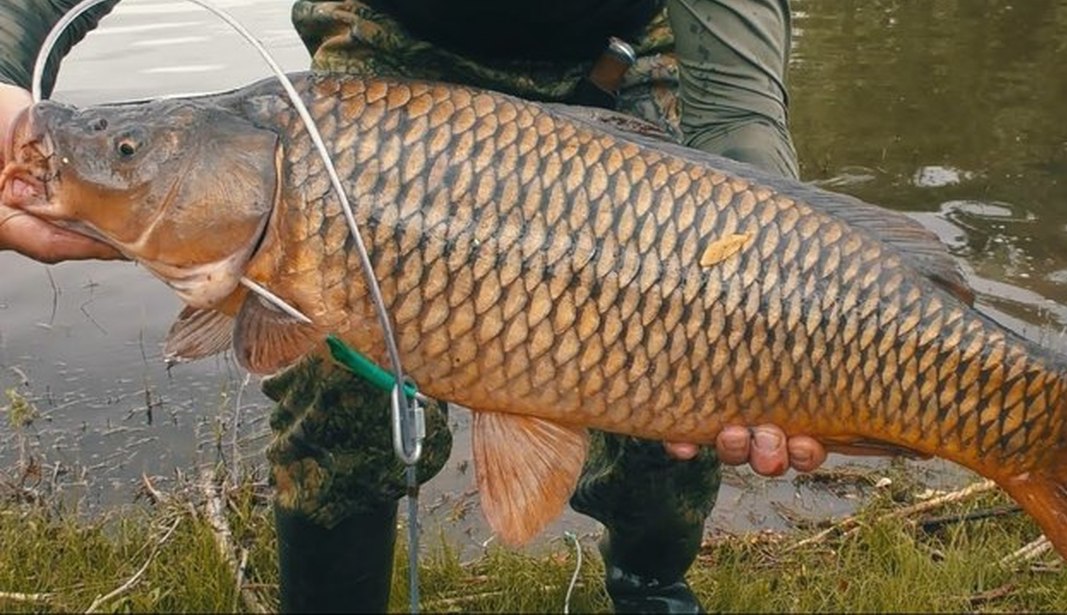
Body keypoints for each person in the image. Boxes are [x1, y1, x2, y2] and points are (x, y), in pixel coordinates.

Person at [0, 1, 829, 612]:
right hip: (396, 44)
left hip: (631, 36)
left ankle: (650, 586)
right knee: (332, 339)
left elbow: (738, 115)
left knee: (692, 341)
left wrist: (781, 297)